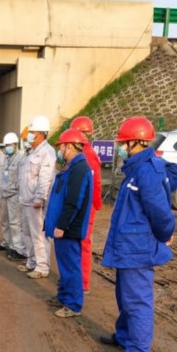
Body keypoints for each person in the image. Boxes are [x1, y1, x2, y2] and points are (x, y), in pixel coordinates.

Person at [101, 116, 177, 352]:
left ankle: (137, 349)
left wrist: (165, 235)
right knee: (125, 295)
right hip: (129, 246)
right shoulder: (137, 168)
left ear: (137, 142)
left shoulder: (147, 171)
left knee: (136, 299)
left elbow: (160, 212)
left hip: (138, 248)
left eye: (124, 142)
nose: (120, 147)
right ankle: (125, 336)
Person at [44, 128, 93, 317]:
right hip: (63, 228)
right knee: (64, 267)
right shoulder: (71, 167)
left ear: (70, 146)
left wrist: (62, 225)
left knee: (71, 268)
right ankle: (63, 297)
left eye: (62, 146)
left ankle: (73, 305)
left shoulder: (80, 169)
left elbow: (73, 201)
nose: (60, 149)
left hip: (69, 229)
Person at [18, 115, 56, 278]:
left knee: (39, 235)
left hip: (36, 202)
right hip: (25, 200)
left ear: (41, 133)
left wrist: (39, 198)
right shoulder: (31, 152)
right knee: (27, 233)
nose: (30, 135)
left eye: (32, 132)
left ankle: (42, 267)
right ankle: (32, 262)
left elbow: (45, 177)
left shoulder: (47, 152)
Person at [70, 116, 103, 292]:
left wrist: (96, 205)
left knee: (83, 244)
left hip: (85, 207)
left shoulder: (89, 156)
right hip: (78, 206)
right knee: (74, 243)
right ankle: (75, 280)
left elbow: (96, 184)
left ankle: (83, 283)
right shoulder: (79, 155)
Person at [0, 132, 27, 261]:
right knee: (5, 221)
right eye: (6, 145)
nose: (8, 147)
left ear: (15, 145)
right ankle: (7, 243)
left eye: (10, 145)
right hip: (4, 193)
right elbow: (2, 175)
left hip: (14, 194)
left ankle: (18, 248)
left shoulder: (20, 159)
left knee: (15, 223)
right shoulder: (5, 158)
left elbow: (21, 178)